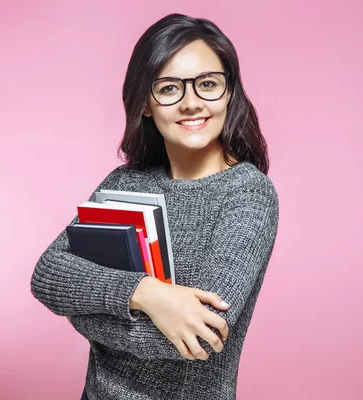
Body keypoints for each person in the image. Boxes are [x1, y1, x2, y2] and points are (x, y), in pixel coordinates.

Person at [30, 13, 279, 400]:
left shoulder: (248, 194)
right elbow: (48, 275)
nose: (192, 103)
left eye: (208, 85)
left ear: (230, 92)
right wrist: (148, 294)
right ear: (146, 103)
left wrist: (80, 309)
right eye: (168, 89)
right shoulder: (124, 182)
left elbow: (200, 336)